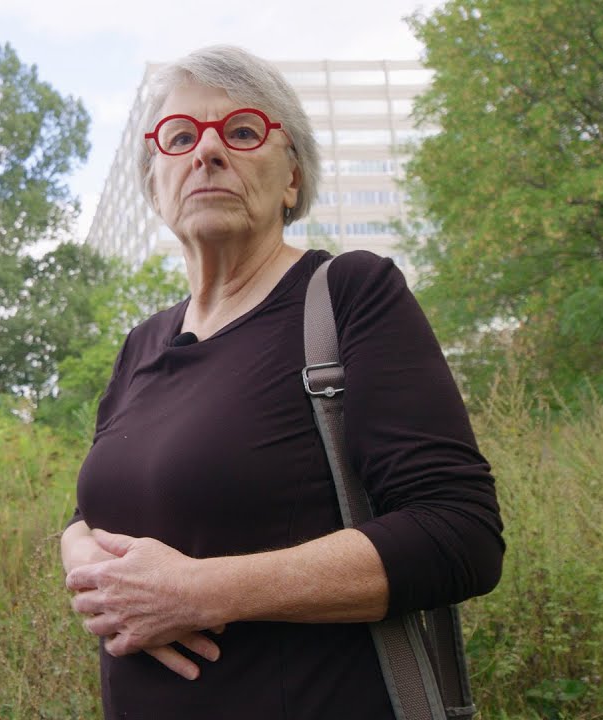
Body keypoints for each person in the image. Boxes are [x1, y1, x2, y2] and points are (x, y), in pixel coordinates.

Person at [61, 45, 504, 718]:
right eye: (180, 137)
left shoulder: (350, 295)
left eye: (241, 132)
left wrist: (203, 592)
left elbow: (459, 534)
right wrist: (77, 550)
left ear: (292, 178)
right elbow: (104, 504)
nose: (207, 152)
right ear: (155, 185)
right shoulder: (141, 345)